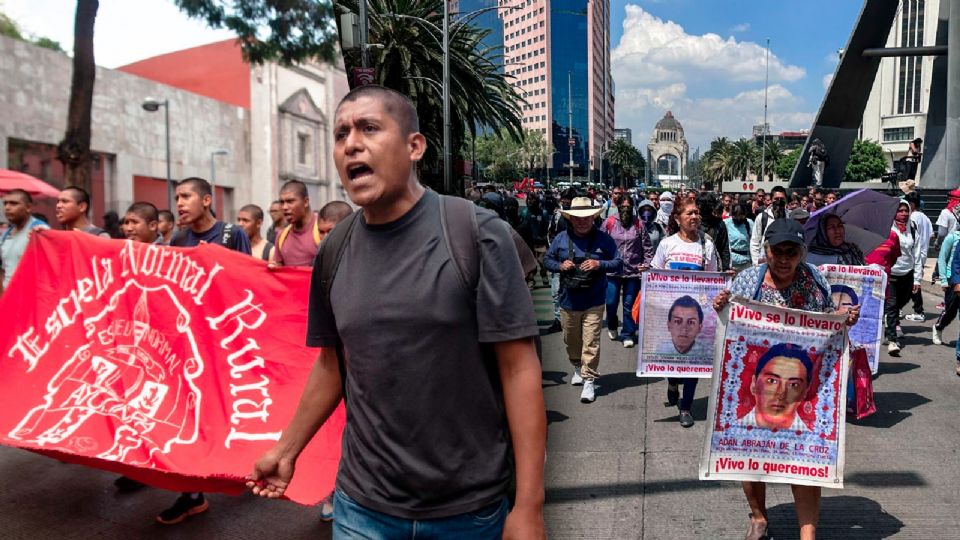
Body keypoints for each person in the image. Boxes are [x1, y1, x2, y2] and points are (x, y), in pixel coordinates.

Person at [248, 85, 546, 538]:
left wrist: (528, 507)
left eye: (369, 128)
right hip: (361, 509)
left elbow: (519, 370)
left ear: (414, 146)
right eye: (341, 133)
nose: (351, 144)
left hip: (468, 512)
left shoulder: (476, 233)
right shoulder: (335, 251)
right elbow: (333, 364)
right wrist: (287, 450)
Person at [714, 218, 860, 540]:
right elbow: (730, 330)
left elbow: (827, 329)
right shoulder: (747, 280)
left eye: (790, 252)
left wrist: (845, 319)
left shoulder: (815, 281)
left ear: (801, 253)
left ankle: (807, 535)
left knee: (806, 458)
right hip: (759, 385)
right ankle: (759, 517)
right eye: (776, 251)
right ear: (765, 250)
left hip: (801, 388)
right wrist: (721, 308)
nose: (783, 259)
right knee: (748, 452)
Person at [160, 177, 251, 524]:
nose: (179, 203)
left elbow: (247, 283)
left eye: (186, 196)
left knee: (226, 410)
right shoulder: (179, 239)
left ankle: (238, 466)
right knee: (190, 415)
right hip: (190, 344)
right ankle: (192, 494)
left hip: (224, 343)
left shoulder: (231, 234)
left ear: (207, 200)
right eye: (177, 197)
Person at [648, 198, 718, 428]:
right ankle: (672, 383)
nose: (694, 217)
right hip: (670, 310)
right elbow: (655, 274)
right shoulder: (667, 244)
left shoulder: (706, 246)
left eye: (697, 213)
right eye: (689, 213)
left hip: (696, 312)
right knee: (673, 356)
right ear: (677, 219)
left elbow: (712, 280)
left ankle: (686, 407)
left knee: (693, 361)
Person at [545, 196, 621, 402]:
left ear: (593, 217)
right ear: (570, 218)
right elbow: (547, 260)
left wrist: (599, 265)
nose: (582, 221)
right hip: (568, 300)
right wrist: (560, 266)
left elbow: (618, 262)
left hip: (594, 300)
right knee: (571, 339)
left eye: (586, 217)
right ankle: (577, 366)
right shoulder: (561, 238)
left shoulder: (604, 239)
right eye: (577, 217)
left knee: (591, 341)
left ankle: (589, 380)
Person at [602, 194, 653, 348]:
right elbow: (600, 244)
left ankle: (627, 334)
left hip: (633, 271)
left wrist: (647, 264)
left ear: (633, 207)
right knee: (611, 302)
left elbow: (648, 248)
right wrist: (602, 262)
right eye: (623, 206)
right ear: (618, 207)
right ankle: (612, 324)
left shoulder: (639, 225)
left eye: (628, 206)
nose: (626, 208)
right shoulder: (609, 223)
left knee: (629, 304)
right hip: (612, 271)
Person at [1, 189, 49, 296]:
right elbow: (3, 270)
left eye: (14, 203)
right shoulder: (4, 235)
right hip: (9, 300)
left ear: (29, 207)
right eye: (5, 203)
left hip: (32, 299)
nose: (7, 208)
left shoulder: (39, 230)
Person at [272, 180, 321, 267]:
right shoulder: (282, 235)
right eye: (282, 202)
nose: (284, 207)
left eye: (290, 201)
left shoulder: (322, 230)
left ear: (306, 202)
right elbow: (278, 271)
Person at [933, 206, 960, 347]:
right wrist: (943, 279)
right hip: (952, 279)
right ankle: (938, 326)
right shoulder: (952, 237)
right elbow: (942, 258)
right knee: (951, 310)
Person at [904, 193, 932, 323]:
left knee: (913, 283)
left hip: (914, 254)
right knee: (912, 282)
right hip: (923, 253)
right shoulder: (925, 218)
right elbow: (931, 235)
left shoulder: (913, 217)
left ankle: (918, 310)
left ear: (912, 204)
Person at [749, 186, 787, 265]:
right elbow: (755, 242)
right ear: (771, 200)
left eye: (782, 199)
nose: (779, 201)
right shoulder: (762, 217)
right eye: (776, 199)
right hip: (765, 263)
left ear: (786, 200)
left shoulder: (790, 217)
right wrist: (756, 263)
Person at [698, 193, 730, 272]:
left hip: (714, 267)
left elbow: (724, 248)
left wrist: (725, 269)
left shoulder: (719, 224)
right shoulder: (694, 223)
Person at [724, 201, 754, 272]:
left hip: (746, 262)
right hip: (732, 263)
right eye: (736, 215)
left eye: (741, 215)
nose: (738, 218)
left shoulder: (749, 223)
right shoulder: (726, 223)